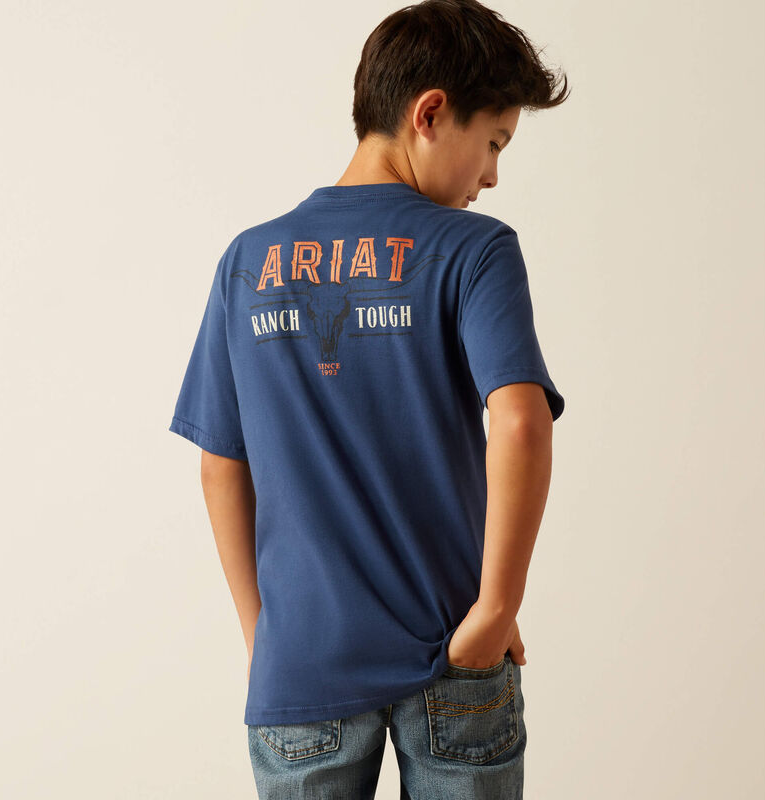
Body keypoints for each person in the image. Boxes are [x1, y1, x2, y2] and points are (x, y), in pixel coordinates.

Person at [168, 0, 570, 796]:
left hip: (302, 663)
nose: (492, 176)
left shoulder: (247, 261)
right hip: (452, 649)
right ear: (431, 114)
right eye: (494, 143)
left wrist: (264, 636)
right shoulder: (473, 249)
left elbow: (221, 463)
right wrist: (496, 607)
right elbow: (521, 424)